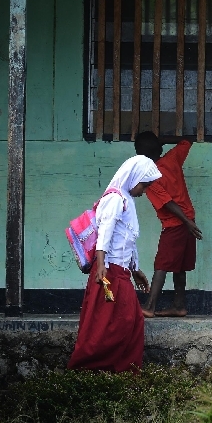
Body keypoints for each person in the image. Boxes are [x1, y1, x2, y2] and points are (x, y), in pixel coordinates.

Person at [67, 156, 161, 372]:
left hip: (120, 272)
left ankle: (118, 371)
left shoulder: (127, 200)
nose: (145, 190)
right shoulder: (116, 199)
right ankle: (91, 368)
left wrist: (135, 270)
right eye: (144, 185)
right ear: (134, 177)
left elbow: (127, 240)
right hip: (109, 272)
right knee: (109, 325)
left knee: (128, 321)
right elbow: (105, 234)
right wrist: (101, 265)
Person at [134, 132, 203, 318]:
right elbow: (188, 139)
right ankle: (179, 306)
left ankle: (150, 306)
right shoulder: (172, 159)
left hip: (176, 223)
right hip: (189, 220)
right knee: (179, 267)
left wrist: (186, 222)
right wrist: (164, 139)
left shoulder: (151, 177)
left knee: (162, 265)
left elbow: (168, 203)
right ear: (160, 148)